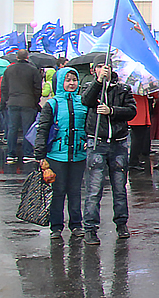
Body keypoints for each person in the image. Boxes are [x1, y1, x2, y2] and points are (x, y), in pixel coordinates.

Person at [80, 62, 137, 245]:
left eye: (106, 66)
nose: (104, 69)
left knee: (119, 189)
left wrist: (112, 111)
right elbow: (86, 101)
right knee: (94, 189)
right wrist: (98, 82)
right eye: (99, 66)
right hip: (97, 142)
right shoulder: (90, 86)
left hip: (118, 143)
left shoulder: (123, 89)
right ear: (93, 70)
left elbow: (131, 111)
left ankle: (121, 224)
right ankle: (90, 228)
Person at [33, 67, 88, 241]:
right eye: (68, 80)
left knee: (75, 191)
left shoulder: (83, 102)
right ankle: (56, 226)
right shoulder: (52, 104)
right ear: (60, 82)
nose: (71, 83)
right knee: (57, 191)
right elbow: (42, 130)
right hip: (56, 156)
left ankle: (76, 224)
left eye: (74, 80)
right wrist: (40, 155)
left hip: (78, 155)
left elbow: (89, 126)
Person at [4, 49, 43, 164]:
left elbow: (4, 88)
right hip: (28, 102)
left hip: (12, 102)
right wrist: (35, 101)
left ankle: (11, 154)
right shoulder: (33, 70)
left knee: (12, 129)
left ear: (17, 57)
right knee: (28, 129)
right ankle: (27, 153)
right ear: (27, 57)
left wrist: (7, 100)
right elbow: (38, 88)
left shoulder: (9, 70)